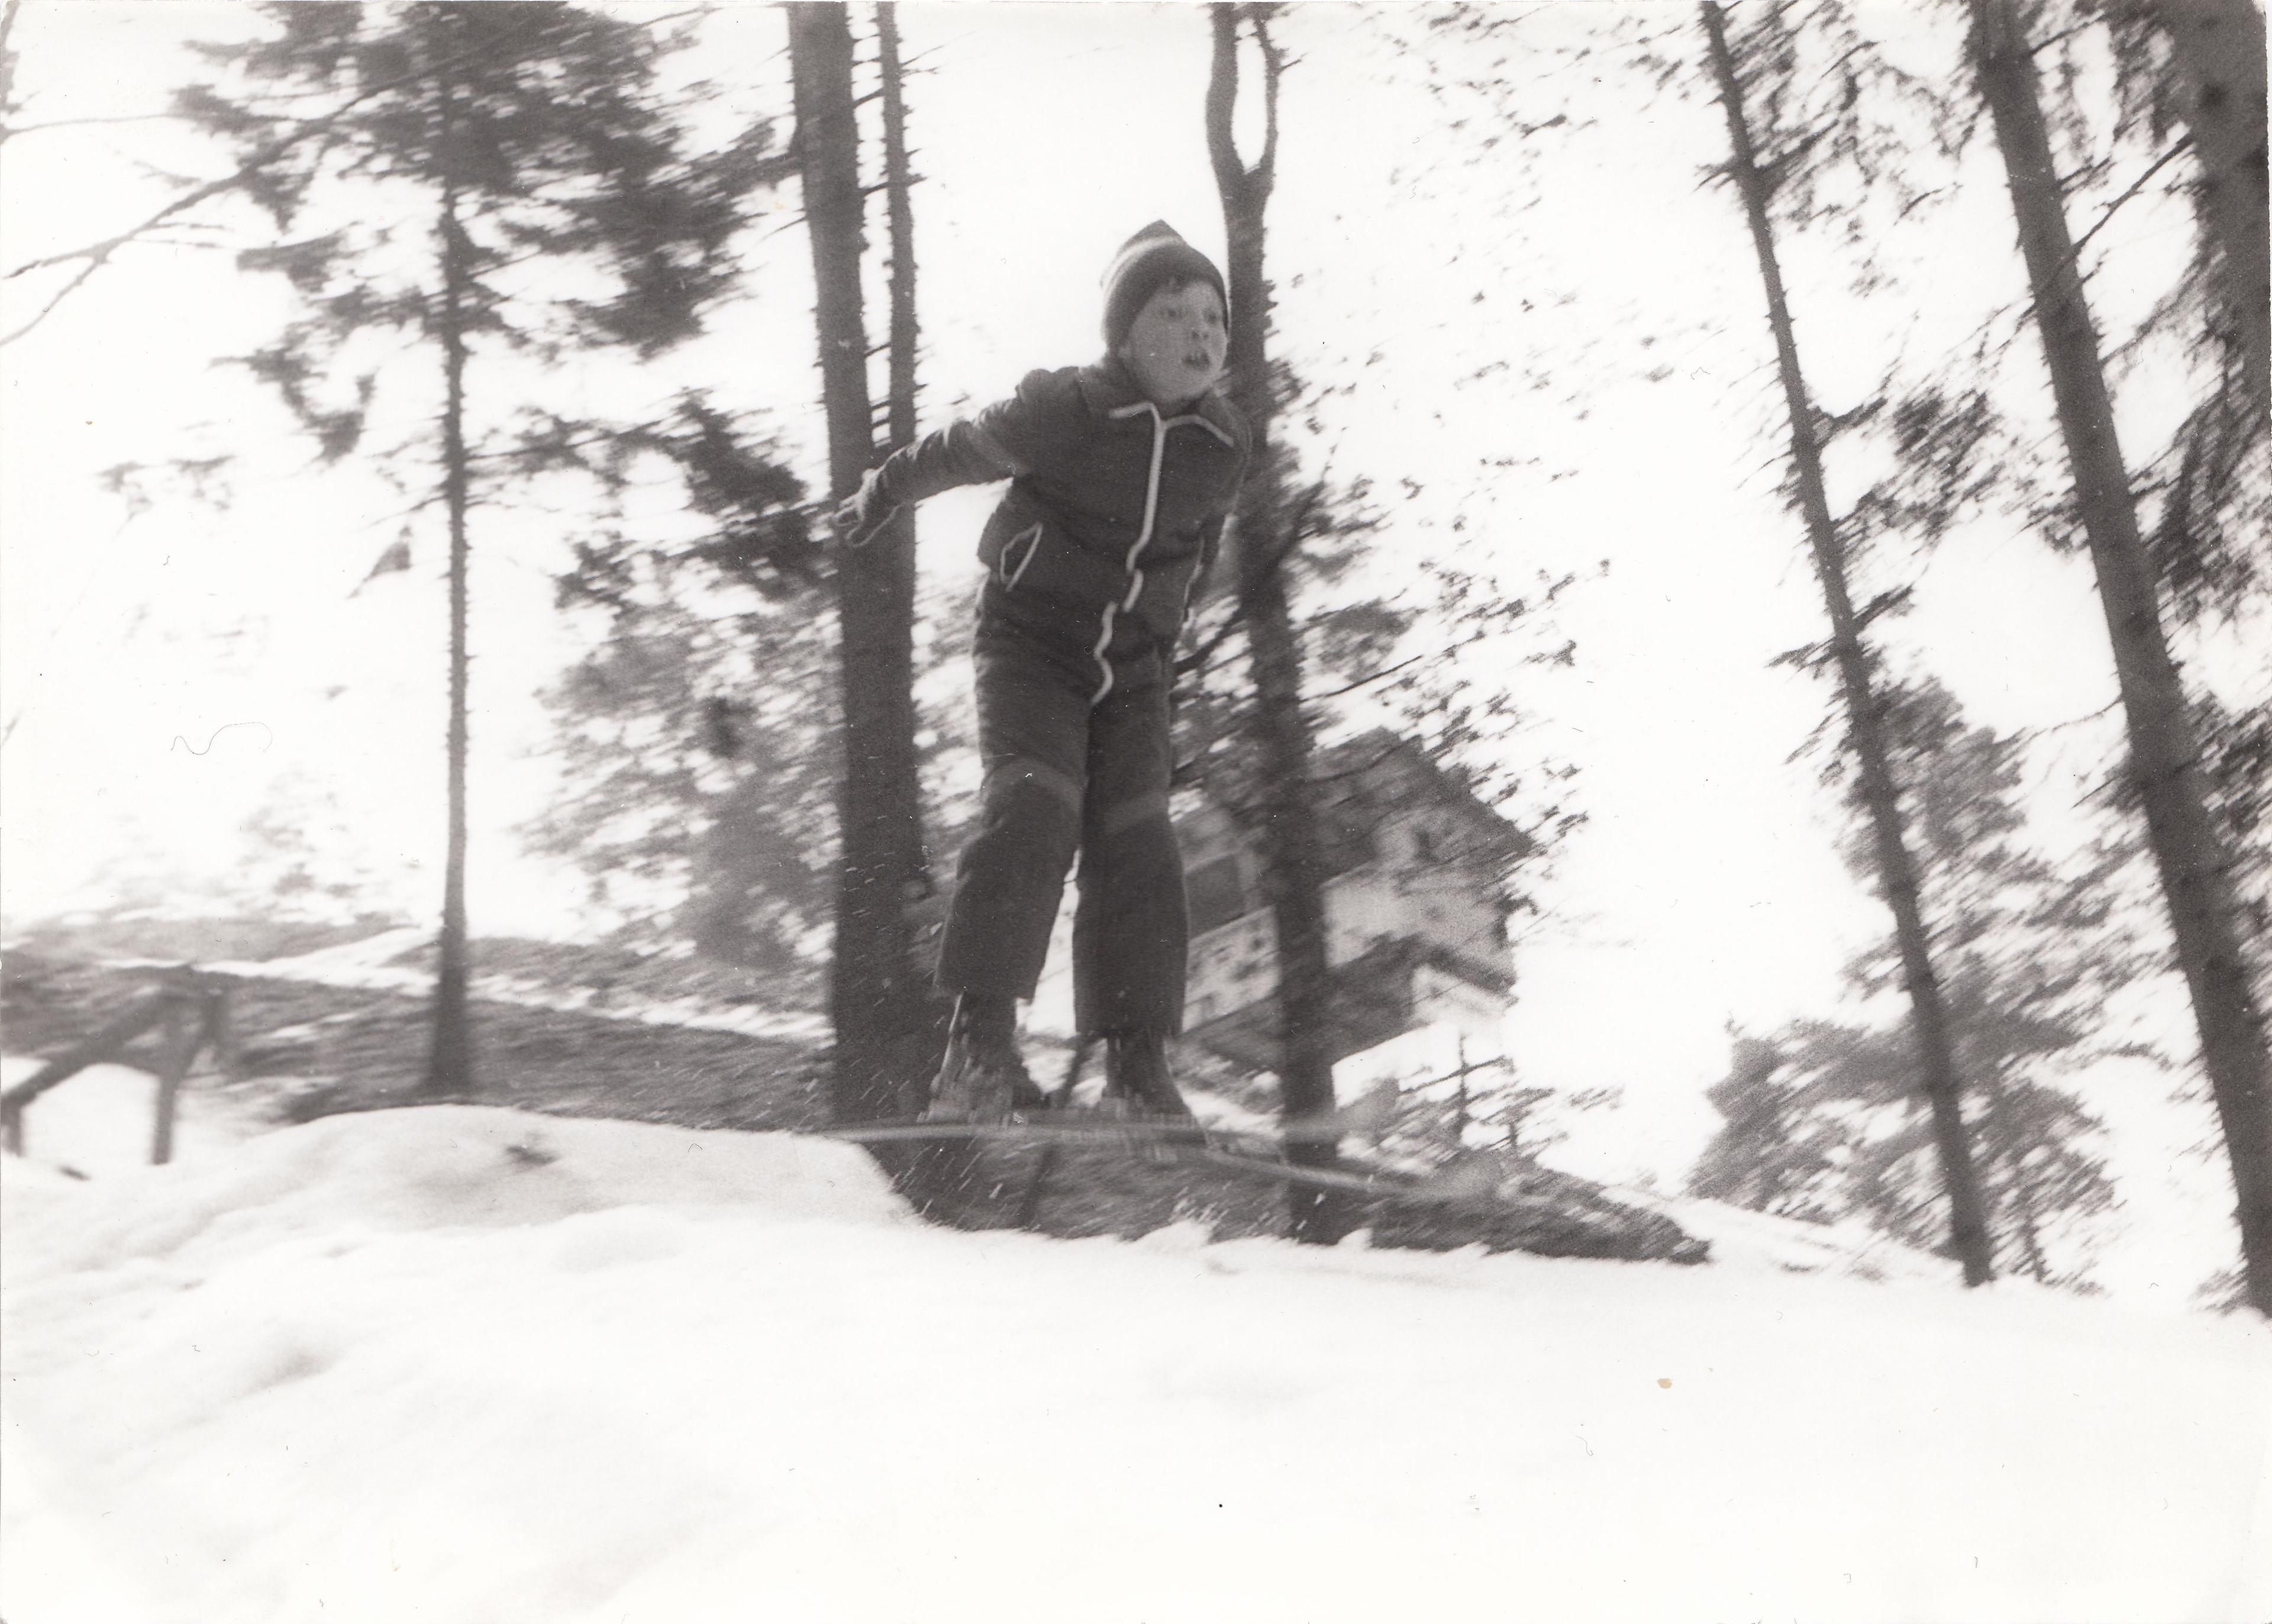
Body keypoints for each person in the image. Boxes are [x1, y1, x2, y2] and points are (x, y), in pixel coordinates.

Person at [834, 221, 1251, 1123]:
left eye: (1214, 317)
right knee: (1034, 806)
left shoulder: (1222, 443)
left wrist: (1169, 663)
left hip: (1136, 668)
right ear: (1126, 333)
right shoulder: (1067, 409)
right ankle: (978, 1048)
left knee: (1142, 843)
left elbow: (1196, 550)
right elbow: (960, 449)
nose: (1202, 335)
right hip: (1034, 644)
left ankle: (1138, 1069)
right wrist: (883, 489)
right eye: (1175, 313)